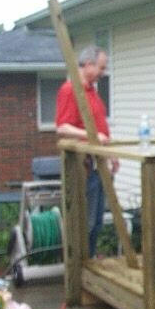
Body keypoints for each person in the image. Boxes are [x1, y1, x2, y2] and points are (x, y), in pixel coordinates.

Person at [55, 45, 118, 258]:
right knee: (85, 221)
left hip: (100, 163)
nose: (103, 72)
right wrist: (91, 136)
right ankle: (80, 264)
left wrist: (111, 153)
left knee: (97, 221)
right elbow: (62, 127)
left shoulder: (91, 91)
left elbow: (101, 127)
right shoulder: (70, 89)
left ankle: (90, 259)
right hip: (84, 165)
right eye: (101, 67)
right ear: (89, 64)